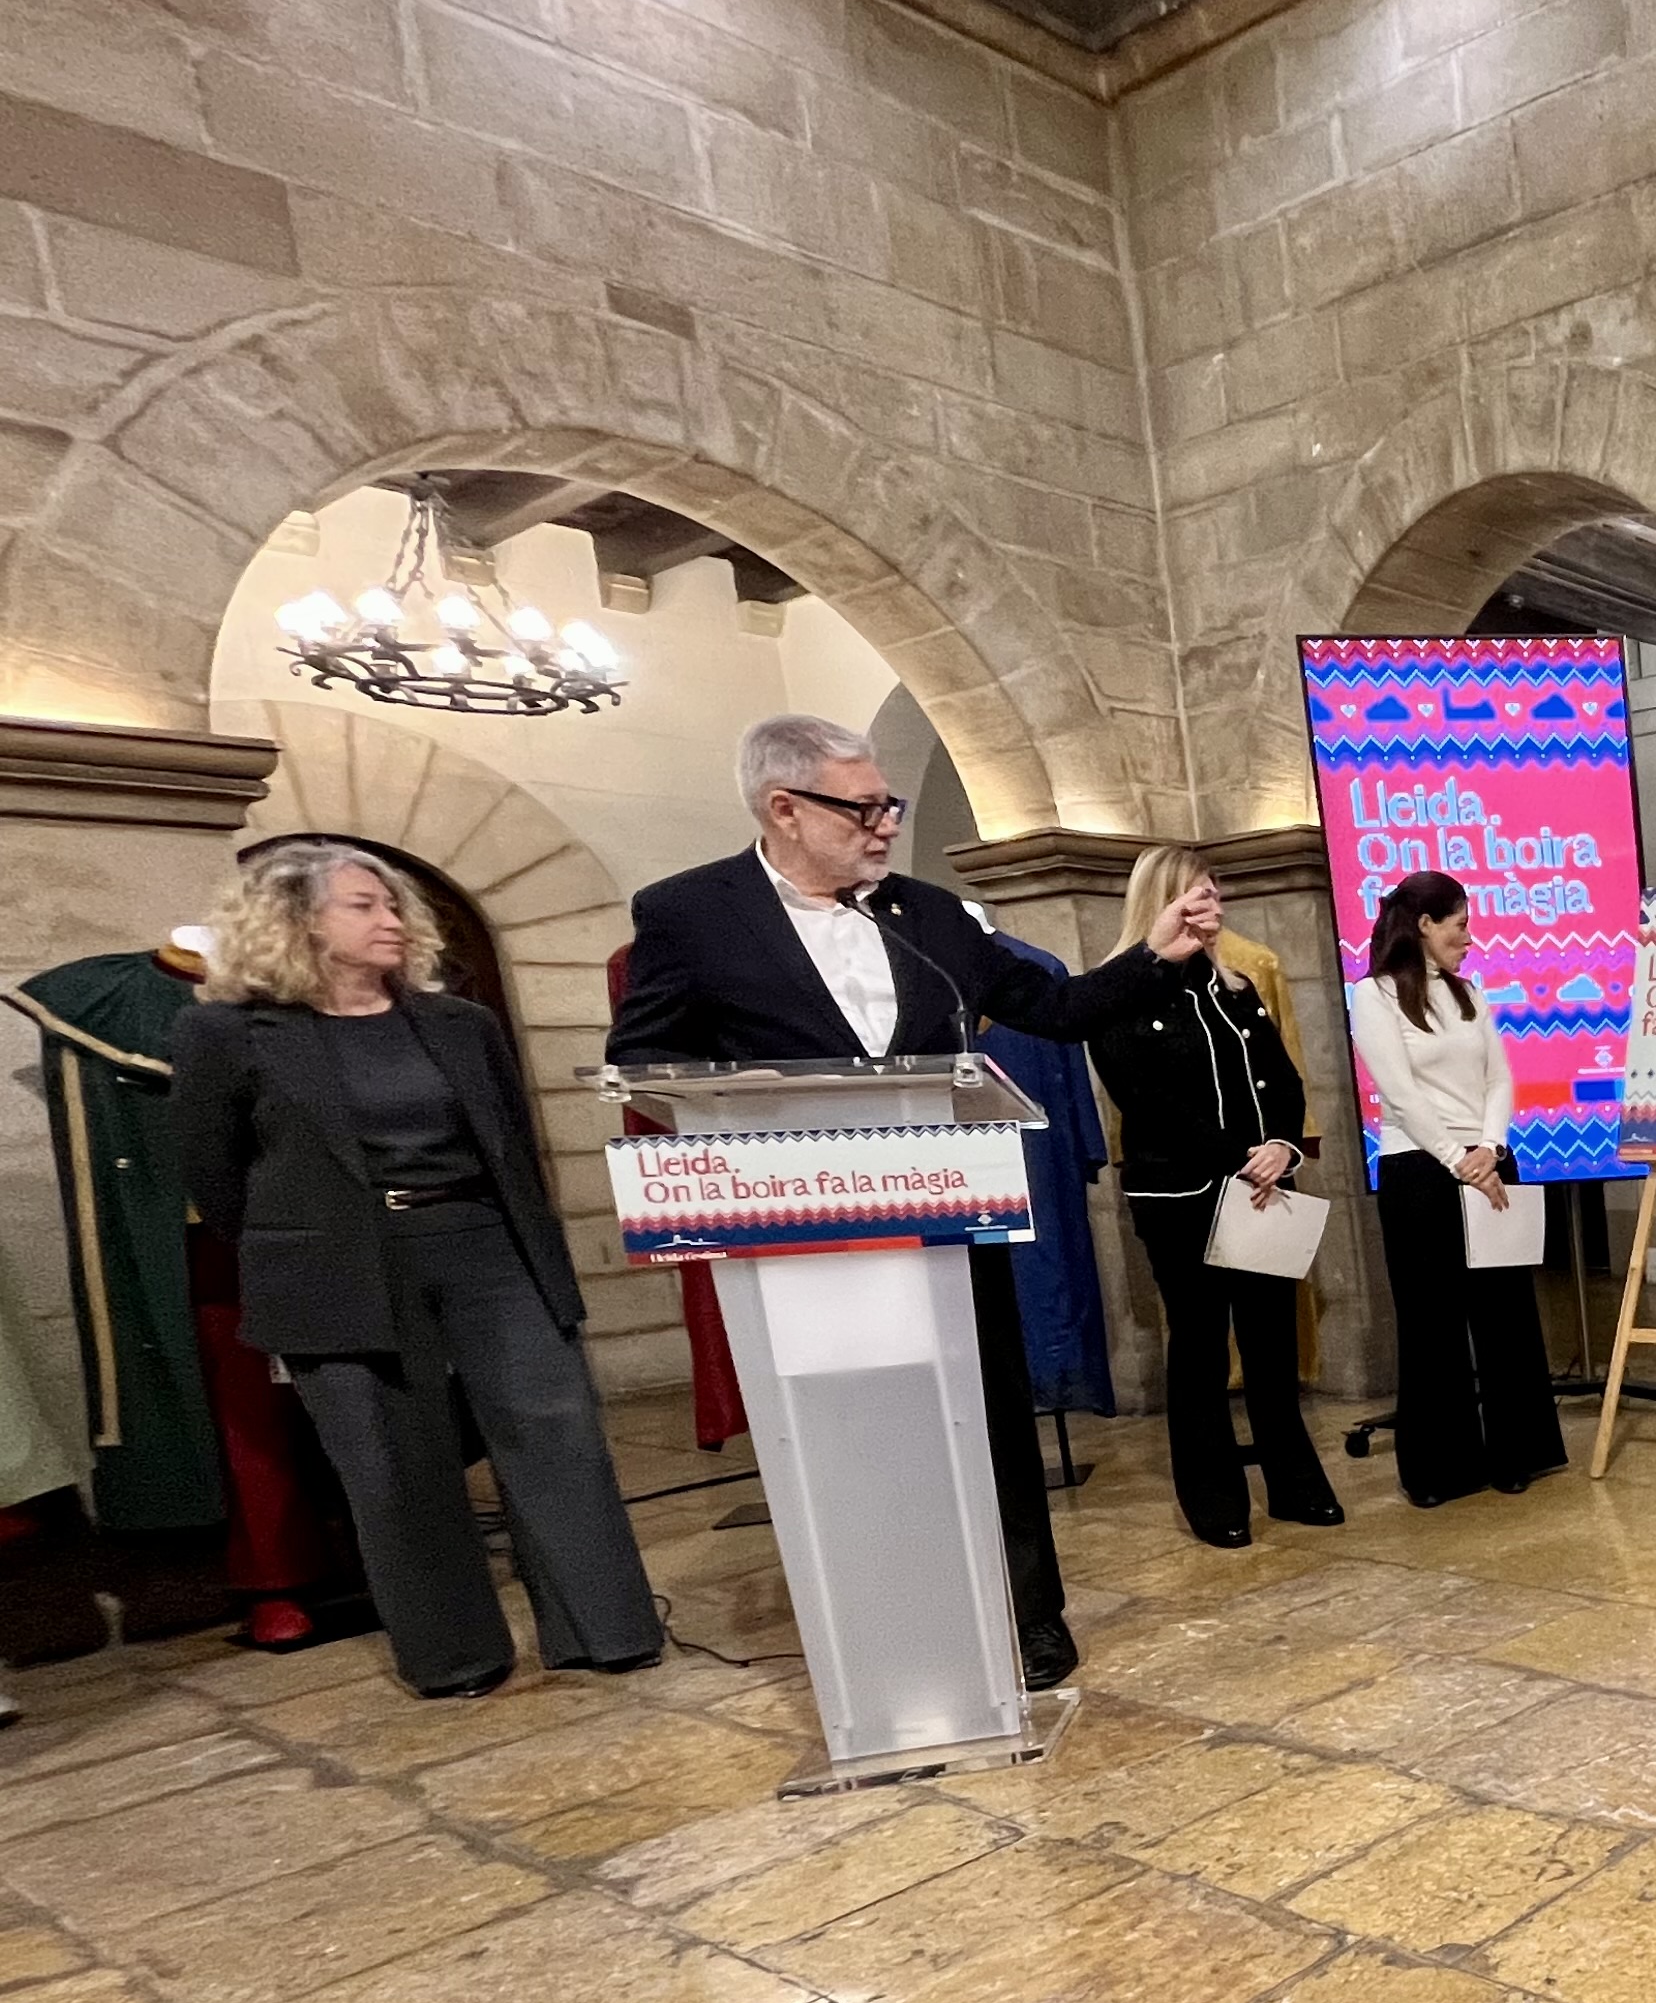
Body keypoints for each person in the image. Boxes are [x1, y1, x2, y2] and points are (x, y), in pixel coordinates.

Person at [607, 715, 1215, 1689]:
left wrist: (1155, 953)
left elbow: (1052, 1011)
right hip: (809, 1228)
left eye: (887, 803)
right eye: (864, 808)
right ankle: (893, 1619)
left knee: (991, 1418)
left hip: (945, 1205)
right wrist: (755, 1106)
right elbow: (641, 1059)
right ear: (784, 808)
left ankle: (1030, 1615)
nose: (888, 823)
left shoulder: (931, 915)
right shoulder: (690, 912)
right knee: (858, 1433)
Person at [170, 839, 661, 1699]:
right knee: (392, 1461)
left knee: (555, 1431)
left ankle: (604, 1630)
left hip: (485, 1243)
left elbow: (513, 1148)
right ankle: (455, 1655)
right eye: (364, 905)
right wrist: (303, 1242)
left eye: (395, 904)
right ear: (296, 921)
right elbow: (216, 1176)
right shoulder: (225, 1033)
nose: (392, 919)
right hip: (338, 1263)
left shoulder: (459, 1023)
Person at [1090, 846, 1345, 1546]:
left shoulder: (1235, 986)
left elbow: (1282, 1079)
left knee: (1271, 1343)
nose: (1216, 908)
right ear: (1164, 902)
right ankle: (1213, 1499)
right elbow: (1147, 1099)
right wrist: (1239, 1158)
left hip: (1263, 1187)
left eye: (1216, 894)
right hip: (1182, 1195)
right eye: (1200, 896)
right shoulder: (1118, 990)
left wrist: (1283, 1145)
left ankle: (1294, 1484)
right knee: (1200, 1347)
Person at [1349, 869, 1564, 1507]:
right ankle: (1440, 1468)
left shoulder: (1470, 992)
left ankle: (1517, 1452)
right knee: (1431, 1321)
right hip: (1420, 1168)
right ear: (1423, 925)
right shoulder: (1374, 995)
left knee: (1505, 1314)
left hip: (1488, 1163)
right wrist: (1456, 1158)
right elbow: (1400, 1091)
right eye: (1460, 924)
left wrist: (1490, 1148)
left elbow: (1499, 1078)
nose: (1469, 938)